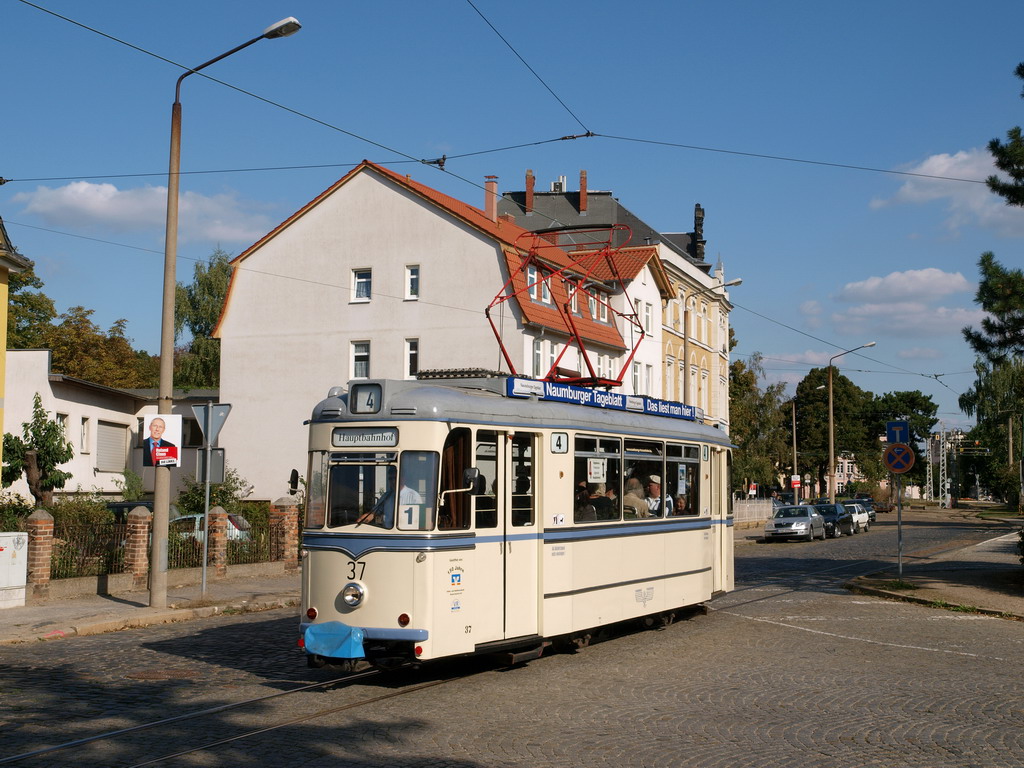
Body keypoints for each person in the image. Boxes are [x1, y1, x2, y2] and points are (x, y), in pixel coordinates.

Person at [359, 467, 423, 527]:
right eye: (390, 479)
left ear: (403, 479)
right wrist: (359, 523)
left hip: (406, 533)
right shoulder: (386, 496)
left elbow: (421, 520)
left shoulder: (413, 496)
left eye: (395, 478)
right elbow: (372, 514)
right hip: (388, 532)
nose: (393, 481)